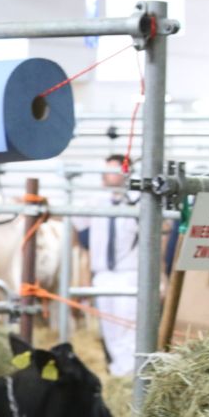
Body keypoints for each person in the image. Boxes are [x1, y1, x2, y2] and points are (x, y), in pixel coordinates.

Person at [73, 154, 139, 376]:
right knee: (109, 328)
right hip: (102, 274)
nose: (107, 174)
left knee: (126, 326)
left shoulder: (138, 201)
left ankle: (127, 376)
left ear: (126, 173)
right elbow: (77, 226)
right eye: (106, 170)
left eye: (113, 170)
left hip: (128, 274)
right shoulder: (96, 201)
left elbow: (162, 232)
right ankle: (116, 371)